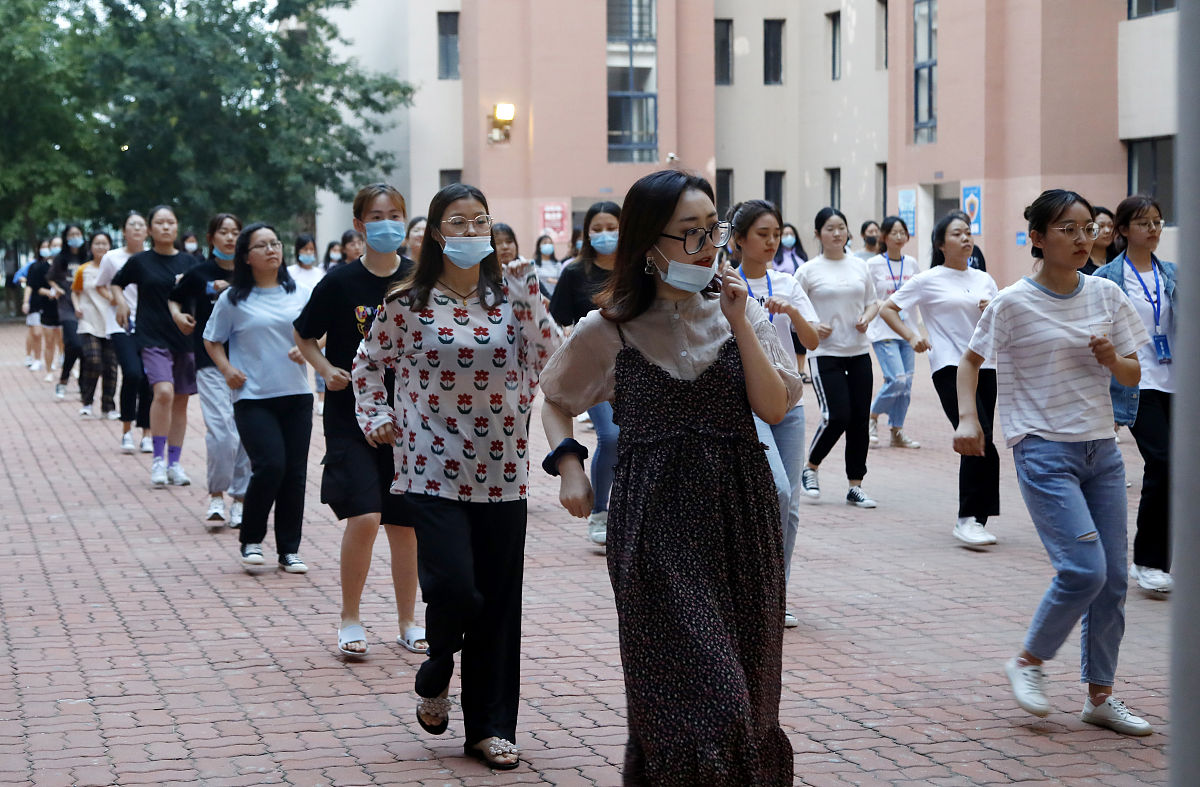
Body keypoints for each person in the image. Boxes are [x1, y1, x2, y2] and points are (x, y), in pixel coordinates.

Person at [540, 169, 798, 784]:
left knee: (752, 690)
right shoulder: (607, 329)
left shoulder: (742, 314)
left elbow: (775, 407)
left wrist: (740, 320)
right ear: (648, 243)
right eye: (690, 233)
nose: (709, 247)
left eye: (715, 230)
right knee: (706, 694)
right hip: (655, 523)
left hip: (742, 516)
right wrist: (570, 466)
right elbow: (553, 398)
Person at [352, 182, 561, 771]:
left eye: (480, 222)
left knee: (498, 603)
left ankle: (490, 728)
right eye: (457, 223)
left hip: (503, 472)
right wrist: (376, 417)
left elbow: (556, 359)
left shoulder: (515, 293)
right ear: (436, 235)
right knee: (455, 590)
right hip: (428, 469)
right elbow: (368, 365)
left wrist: (529, 299)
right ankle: (438, 664)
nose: (470, 233)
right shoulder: (406, 303)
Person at [955, 189, 1153, 736]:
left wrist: (1113, 359)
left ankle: (1100, 696)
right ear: (1038, 239)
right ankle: (1028, 663)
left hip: (1101, 451)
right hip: (1043, 449)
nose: (1082, 237)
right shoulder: (1013, 302)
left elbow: (1135, 373)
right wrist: (968, 420)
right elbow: (969, 365)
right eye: (1068, 228)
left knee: (1113, 580)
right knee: (1083, 570)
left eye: (1088, 227)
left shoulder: (1108, 296)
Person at [294, 183, 426, 658]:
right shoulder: (339, 282)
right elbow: (305, 334)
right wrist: (326, 368)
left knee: (405, 525)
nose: (387, 223)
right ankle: (350, 617)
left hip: (410, 416)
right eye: (377, 215)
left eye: (396, 214)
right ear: (359, 225)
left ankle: (409, 620)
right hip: (351, 414)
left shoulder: (419, 278)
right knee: (366, 514)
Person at [880, 210, 1000, 546]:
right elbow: (889, 308)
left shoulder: (983, 279)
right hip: (949, 365)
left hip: (984, 365)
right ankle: (968, 519)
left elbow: (999, 318)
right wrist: (911, 335)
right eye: (957, 233)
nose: (966, 238)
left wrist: (993, 306)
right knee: (976, 435)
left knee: (985, 440)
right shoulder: (928, 278)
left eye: (968, 232)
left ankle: (979, 519)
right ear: (940, 243)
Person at [729, 199, 820, 630]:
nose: (771, 241)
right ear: (740, 239)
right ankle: (753, 587)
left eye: (777, 234)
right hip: (747, 406)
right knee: (776, 492)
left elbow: (813, 340)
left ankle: (775, 593)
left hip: (790, 403)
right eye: (762, 234)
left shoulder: (788, 282)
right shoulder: (727, 284)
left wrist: (793, 312)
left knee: (792, 506)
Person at [204, 222, 313, 573]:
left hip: (296, 394)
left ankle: (289, 550)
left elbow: (319, 333)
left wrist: (308, 349)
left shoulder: (299, 291)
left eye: (276, 243)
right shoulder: (233, 299)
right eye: (262, 245)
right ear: (246, 257)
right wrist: (225, 369)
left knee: (295, 473)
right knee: (270, 465)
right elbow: (212, 339)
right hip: (252, 397)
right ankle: (251, 540)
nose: (272, 249)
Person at [1094, 195, 1175, 593]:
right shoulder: (1107, 279)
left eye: (1158, 222)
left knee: (1177, 470)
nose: (1153, 229)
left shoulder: (1173, 274)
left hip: (1176, 382)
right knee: (1162, 461)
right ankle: (1148, 562)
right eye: (1144, 223)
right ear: (1123, 231)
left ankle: (1163, 557)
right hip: (1136, 384)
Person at [795, 207, 880, 508]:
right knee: (837, 415)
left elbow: (873, 303)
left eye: (841, 227)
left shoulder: (859, 267)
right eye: (830, 228)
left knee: (859, 420)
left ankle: (855, 485)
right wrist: (812, 325)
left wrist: (866, 318)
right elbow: (796, 311)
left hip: (858, 352)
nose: (837, 233)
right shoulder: (807, 271)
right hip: (824, 353)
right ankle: (810, 467)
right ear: (818, 234)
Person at [168, 213, 249, 527]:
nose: (229, 237)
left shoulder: (252, 274)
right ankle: (216, 496)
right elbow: (174, 300)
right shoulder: (198, 272)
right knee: (221, 433)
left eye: (235, 232)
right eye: (223, 232)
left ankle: (240, 499)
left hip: (247, 363)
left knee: (244, 433)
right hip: (210, 362)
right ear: (211, 237)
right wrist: (179, 317)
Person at [549, 200, 622, 547]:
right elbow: (557, 318)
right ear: (586, 234)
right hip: (593, 371)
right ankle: (600, 512)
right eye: (598, 228)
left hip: (635, 369)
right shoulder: (575, 273)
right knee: (610, 436)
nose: (605, 235)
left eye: (612, 227)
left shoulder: (638, 269)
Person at [111, 205, 197, 487]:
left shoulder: (190, 262)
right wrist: (121, 302)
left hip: (185, 337)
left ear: (177, 227)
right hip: (151, 336)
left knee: (181, 402)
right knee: (163, 393)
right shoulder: (141, 261)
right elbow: (116, 283)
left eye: (170, 222)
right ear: (150, 229)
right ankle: (158, 460)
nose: (165, 227)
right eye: (159, 223)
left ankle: (175, 463)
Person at [97, 212, 153, 454]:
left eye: (142, 225)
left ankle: (148, 433)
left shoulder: (153, 258)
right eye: (133, 225)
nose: (137, 229)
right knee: (132, 374)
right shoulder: (112, 258)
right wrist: (115, 301)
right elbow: (102, 284)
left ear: (147, 231)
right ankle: (127, 430)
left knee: (150, 378)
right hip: (120, 325)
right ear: (124, 231)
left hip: (150, 325)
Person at [866, 216, 920, 449]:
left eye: (902, 232)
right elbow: (867, 296)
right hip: (883, 329)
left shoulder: (912, 264)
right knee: (896, 379)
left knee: (906, 384)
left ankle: (897, 431)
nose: (899, 236)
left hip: (907, 330)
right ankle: (872, 416)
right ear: (884, 237)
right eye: (894, 232)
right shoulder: (873, 264)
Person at [71, 231, 119, 419]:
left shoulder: (116, 269)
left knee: (111, 366)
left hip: (110, 321)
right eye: (97, 243)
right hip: (89, 321)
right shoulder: (83, 270)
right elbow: (75, 291)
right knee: (93, 360)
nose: (101, 247)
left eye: (104, 243)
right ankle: (87, 401)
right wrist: (77, 307)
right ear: (91, 247)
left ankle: (108, 406)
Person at [47, 227, 88, 395]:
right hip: (66, 307)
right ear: (66, 238)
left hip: (86, 306)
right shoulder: (61, 258)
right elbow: (50, 278)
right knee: (76, 343)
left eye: (78, 234)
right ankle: (72, 380)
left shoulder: (88, 256)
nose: (75, 238)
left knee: (78, 346)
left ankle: (70, 381)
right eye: (71, 235)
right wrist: (58, 289)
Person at [22, 240, 52, 372]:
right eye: (43, 247)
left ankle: (55, 359)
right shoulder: (34, 267)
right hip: (36, 304)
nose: (46, 249)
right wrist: (25, 302)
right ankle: (37, 359)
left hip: (52, 305)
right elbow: (29, 286)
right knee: (37, 333)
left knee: (53, 335)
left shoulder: (56, 266)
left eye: (48, 247)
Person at [1082, 206, 1118, 275]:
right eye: (1101, 226)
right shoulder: (1079, 260)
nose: (1108, 231)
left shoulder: (1119, 258)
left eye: (1111, 226)